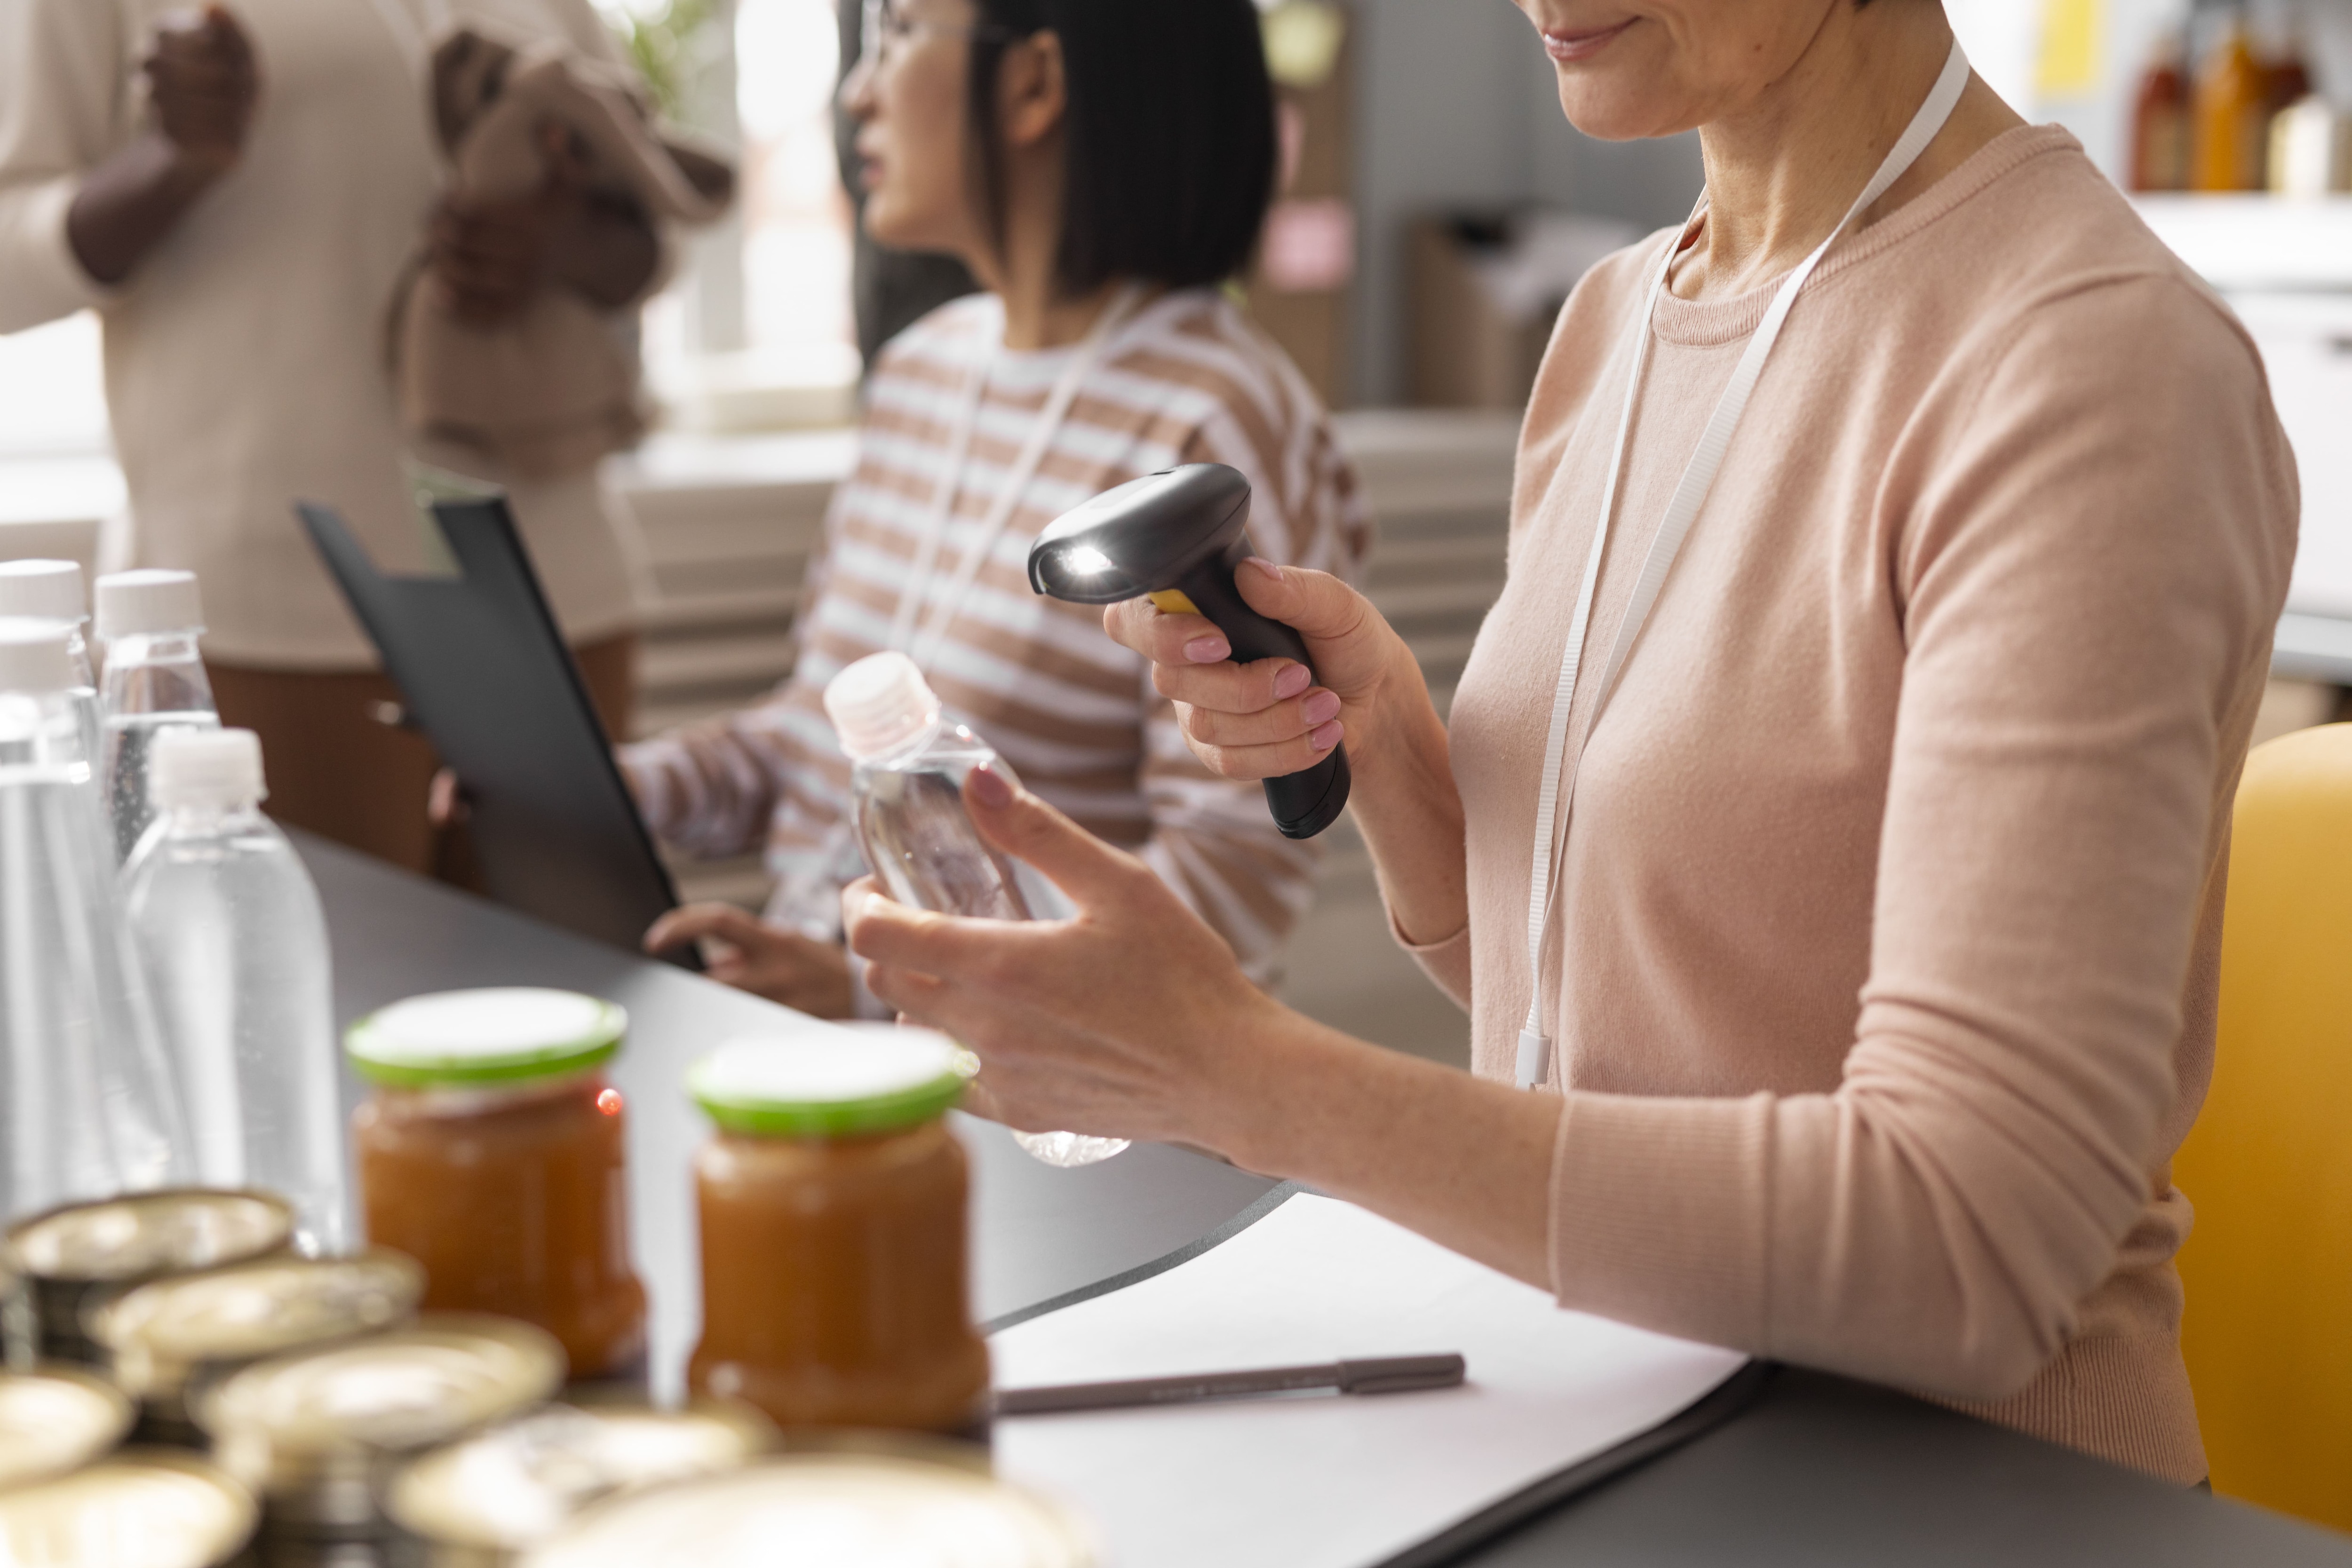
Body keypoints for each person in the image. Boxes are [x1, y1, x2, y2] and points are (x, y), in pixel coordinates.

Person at [842, 0, 2297, 1486]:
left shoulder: (2090, 364)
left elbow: (1968, 1245)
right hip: (1621, 1408)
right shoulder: (1615, 320)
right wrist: (1399, 759)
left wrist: (1239, 1075)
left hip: (1966, 1489)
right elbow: (1627, 1010)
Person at [626, 0, 1367, 1015]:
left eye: (898, 33)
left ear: (1034, 83)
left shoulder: (1214, 422)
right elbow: (816, 741)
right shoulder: (920, 372)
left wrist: (878, 988)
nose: (858, 92)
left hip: (1038, 1093)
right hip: (820, 1064)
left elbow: (1238, 878)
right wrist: (619, 788)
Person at [0, 0, 663, 871]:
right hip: (268, 598)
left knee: (588, 960)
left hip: (557, 585)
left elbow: (654, 210)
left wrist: (558, 242)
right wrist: (167, 165)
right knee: (302, 957)